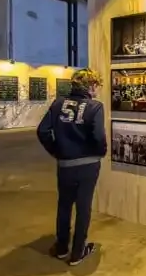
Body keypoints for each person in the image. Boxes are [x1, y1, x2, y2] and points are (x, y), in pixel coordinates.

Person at [36, 68, 106, 266]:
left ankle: (61, 247)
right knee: (84, 207)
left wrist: (56, 151)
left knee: (64, 205)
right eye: (97, 85)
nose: (98, 90)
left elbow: (42, 131)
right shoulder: (95, 107)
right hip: (88, 165)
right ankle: (77, 252)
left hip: (65, 164)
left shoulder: (58, 104)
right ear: (91, 85)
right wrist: (101, 152)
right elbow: (99, 137)